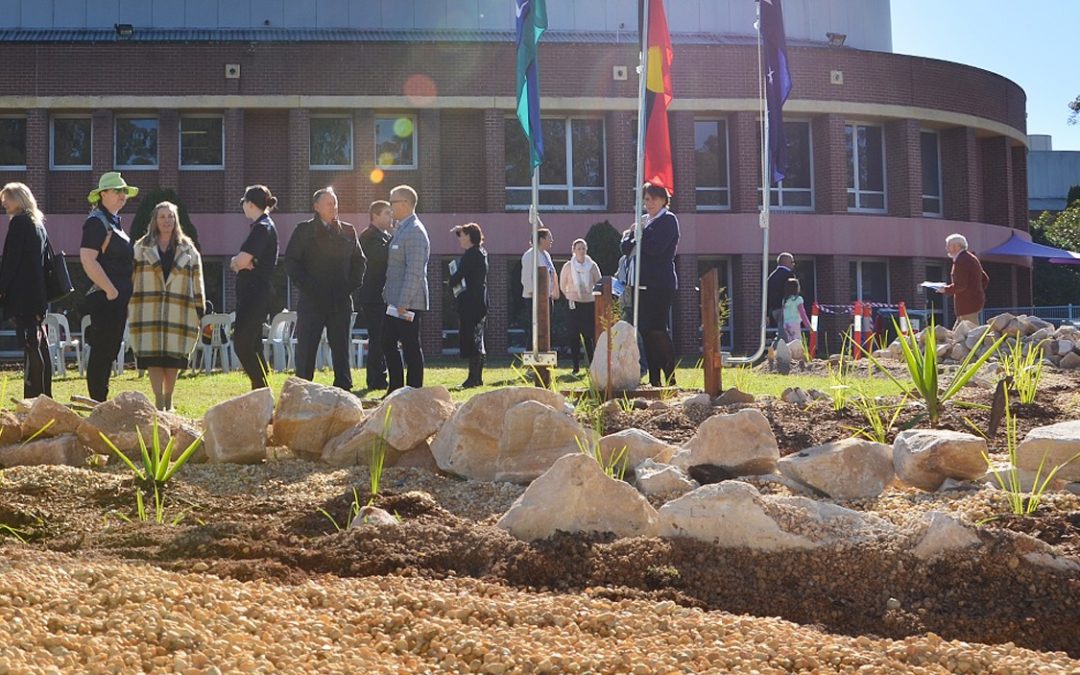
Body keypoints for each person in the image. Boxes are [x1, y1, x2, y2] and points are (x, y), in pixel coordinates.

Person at [285, 187, 367, 391]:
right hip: (312, 301)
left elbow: (360, 262)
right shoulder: (304, 230)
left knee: (340, 348)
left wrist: (349, 286)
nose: (334, 207)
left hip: (340, 300)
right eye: (329, 203)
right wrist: (308, 286)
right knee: (307, 348)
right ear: (317, 206)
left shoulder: (348, 230)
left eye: (335, 203)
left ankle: (344, 390)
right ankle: (302, 390)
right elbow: (292, 262)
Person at [129, 202, 206, 411]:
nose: (166, 221)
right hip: (148, 307)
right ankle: (158, 399)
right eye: (162, 216)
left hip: (178, 307)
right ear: (155, 220)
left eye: (170, 216)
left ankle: (169, 398)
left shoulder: (188, 249)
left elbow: (197, 278)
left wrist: (199, 306)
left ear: (176, 220)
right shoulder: (140, 247)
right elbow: (130, 277)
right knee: (153, 356)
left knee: (173, 356)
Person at [80, 171, 138, 402]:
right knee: (102, 352)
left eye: (124, 191)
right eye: (117, 191)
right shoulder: (96, 222)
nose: (122, 195)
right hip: (107, 301)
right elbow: (87, 259)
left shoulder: (115, 221)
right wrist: (111, 290)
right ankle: (97, 403)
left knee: (110, 351)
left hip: (117, 301)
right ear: (103, 194)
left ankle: (101, 401)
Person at [621, 183, 679, 387]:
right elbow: (625, 247)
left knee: (657, 329)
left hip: (660, 285)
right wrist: (633, 233)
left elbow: (655, 248)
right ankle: (655, 379)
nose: (649, 203)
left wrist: (639, 234)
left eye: (653, 198)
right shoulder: (644, 221)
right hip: (640, 284)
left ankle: (671, 377)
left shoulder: (668, 220)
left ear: (663, 200)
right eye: (646, 199)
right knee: (645, 331)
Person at [0, 182, 52, 398]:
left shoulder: (19, 222)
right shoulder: (38, 223)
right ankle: (43, 392)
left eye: (7, 199)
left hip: (23, 295)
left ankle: (34, 394)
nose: (4, 203)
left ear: (18, 199)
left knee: (30, 344)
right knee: (39, 344)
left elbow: (11, 260)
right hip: (37, 293)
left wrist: (2, 288)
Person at [382, 184, 430, 392]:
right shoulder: (402, 228)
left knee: (410, 346)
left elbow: (415, 270)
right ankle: (395, 390)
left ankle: (413, 391)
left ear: (405, 203)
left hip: (406, 302)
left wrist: (403, 301)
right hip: (394, 301)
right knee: (388, 342)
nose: (390, 207)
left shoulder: (415, 231)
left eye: (393, 202)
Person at [232, 185, 279, 390]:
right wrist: (240, 262)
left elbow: (241, 261)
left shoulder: (262, 227)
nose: (243, 206)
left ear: (250, 204)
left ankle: (261, 388)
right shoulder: (263, 225)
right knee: (252, 344)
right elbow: (243, 262)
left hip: (255, 293)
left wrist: (237, 262)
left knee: (241, 343)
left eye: (244, 202)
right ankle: (261, 391)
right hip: (257, 292)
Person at [357, 200, 394, 390]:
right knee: (378, 337)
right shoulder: (368, 236)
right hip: (373, 296)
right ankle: (375, 379)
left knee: (384, 337)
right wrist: (396, 241)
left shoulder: (385, 235)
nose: (391, 217)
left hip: (383, 296)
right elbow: (379, 257)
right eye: (387, 213)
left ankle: (381, 377)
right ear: (375, 216)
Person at [448, 223, 488, 388]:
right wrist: (459, 229)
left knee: (472, 340)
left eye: (463, 235)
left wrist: (451, 280)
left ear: (470, 237)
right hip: (479, 302)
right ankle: (477, 377)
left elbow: (458, 277)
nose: (460, 239)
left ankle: (473, 378)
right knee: (478, 340)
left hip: (471, 303)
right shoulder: (481, 253)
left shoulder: (471, 255)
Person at [560, 238, 601, 374]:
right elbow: (562, 284)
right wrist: (569, 295)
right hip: (573, 303)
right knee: (573, 335)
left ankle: (591, 366)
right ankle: (576, 366)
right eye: (579, 248)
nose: (581, 251)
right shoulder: (568, 266)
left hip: (589, 303)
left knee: (589, 335)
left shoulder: (592, 265)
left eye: (583, 248)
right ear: (573, 251)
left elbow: (599, 283)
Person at [939, 233, 990, 326]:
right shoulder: (970, 258)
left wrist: (945, 289)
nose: (946, 249)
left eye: (948, 246)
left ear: (956, 246)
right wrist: (976, 291)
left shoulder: (962, 261)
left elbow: (960, 285)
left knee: (972, 335)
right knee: (958, 336)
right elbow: (985, 279)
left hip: (967, 306)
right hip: (970, 305)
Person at [520, 227, 559, 303]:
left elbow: (551, 272)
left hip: (547, 296)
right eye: (549, 238)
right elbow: (526, 277)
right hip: (534, 298)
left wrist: (553, 291)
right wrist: (533, 293)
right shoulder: (530, 255)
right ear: (541, 239)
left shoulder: (546, 255)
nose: (551, 240)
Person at [767, 252, 795, 329]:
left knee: (781, 331)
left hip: (775, 310)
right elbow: (792, 293)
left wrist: (766, 314)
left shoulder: (772, 276)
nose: (793, 264)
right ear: (786, 262)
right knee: (787, 336)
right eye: (792, 262)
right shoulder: (789, 275)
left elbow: (767, 295)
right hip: (786, 309)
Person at [781, 277, 811, 344]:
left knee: (790, 343)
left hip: (786, 324)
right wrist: (808, 326)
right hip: (794, 323)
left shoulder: (785, 300)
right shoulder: (798, 299)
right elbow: (802, 313)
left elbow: (783, 313)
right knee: (797, 342)